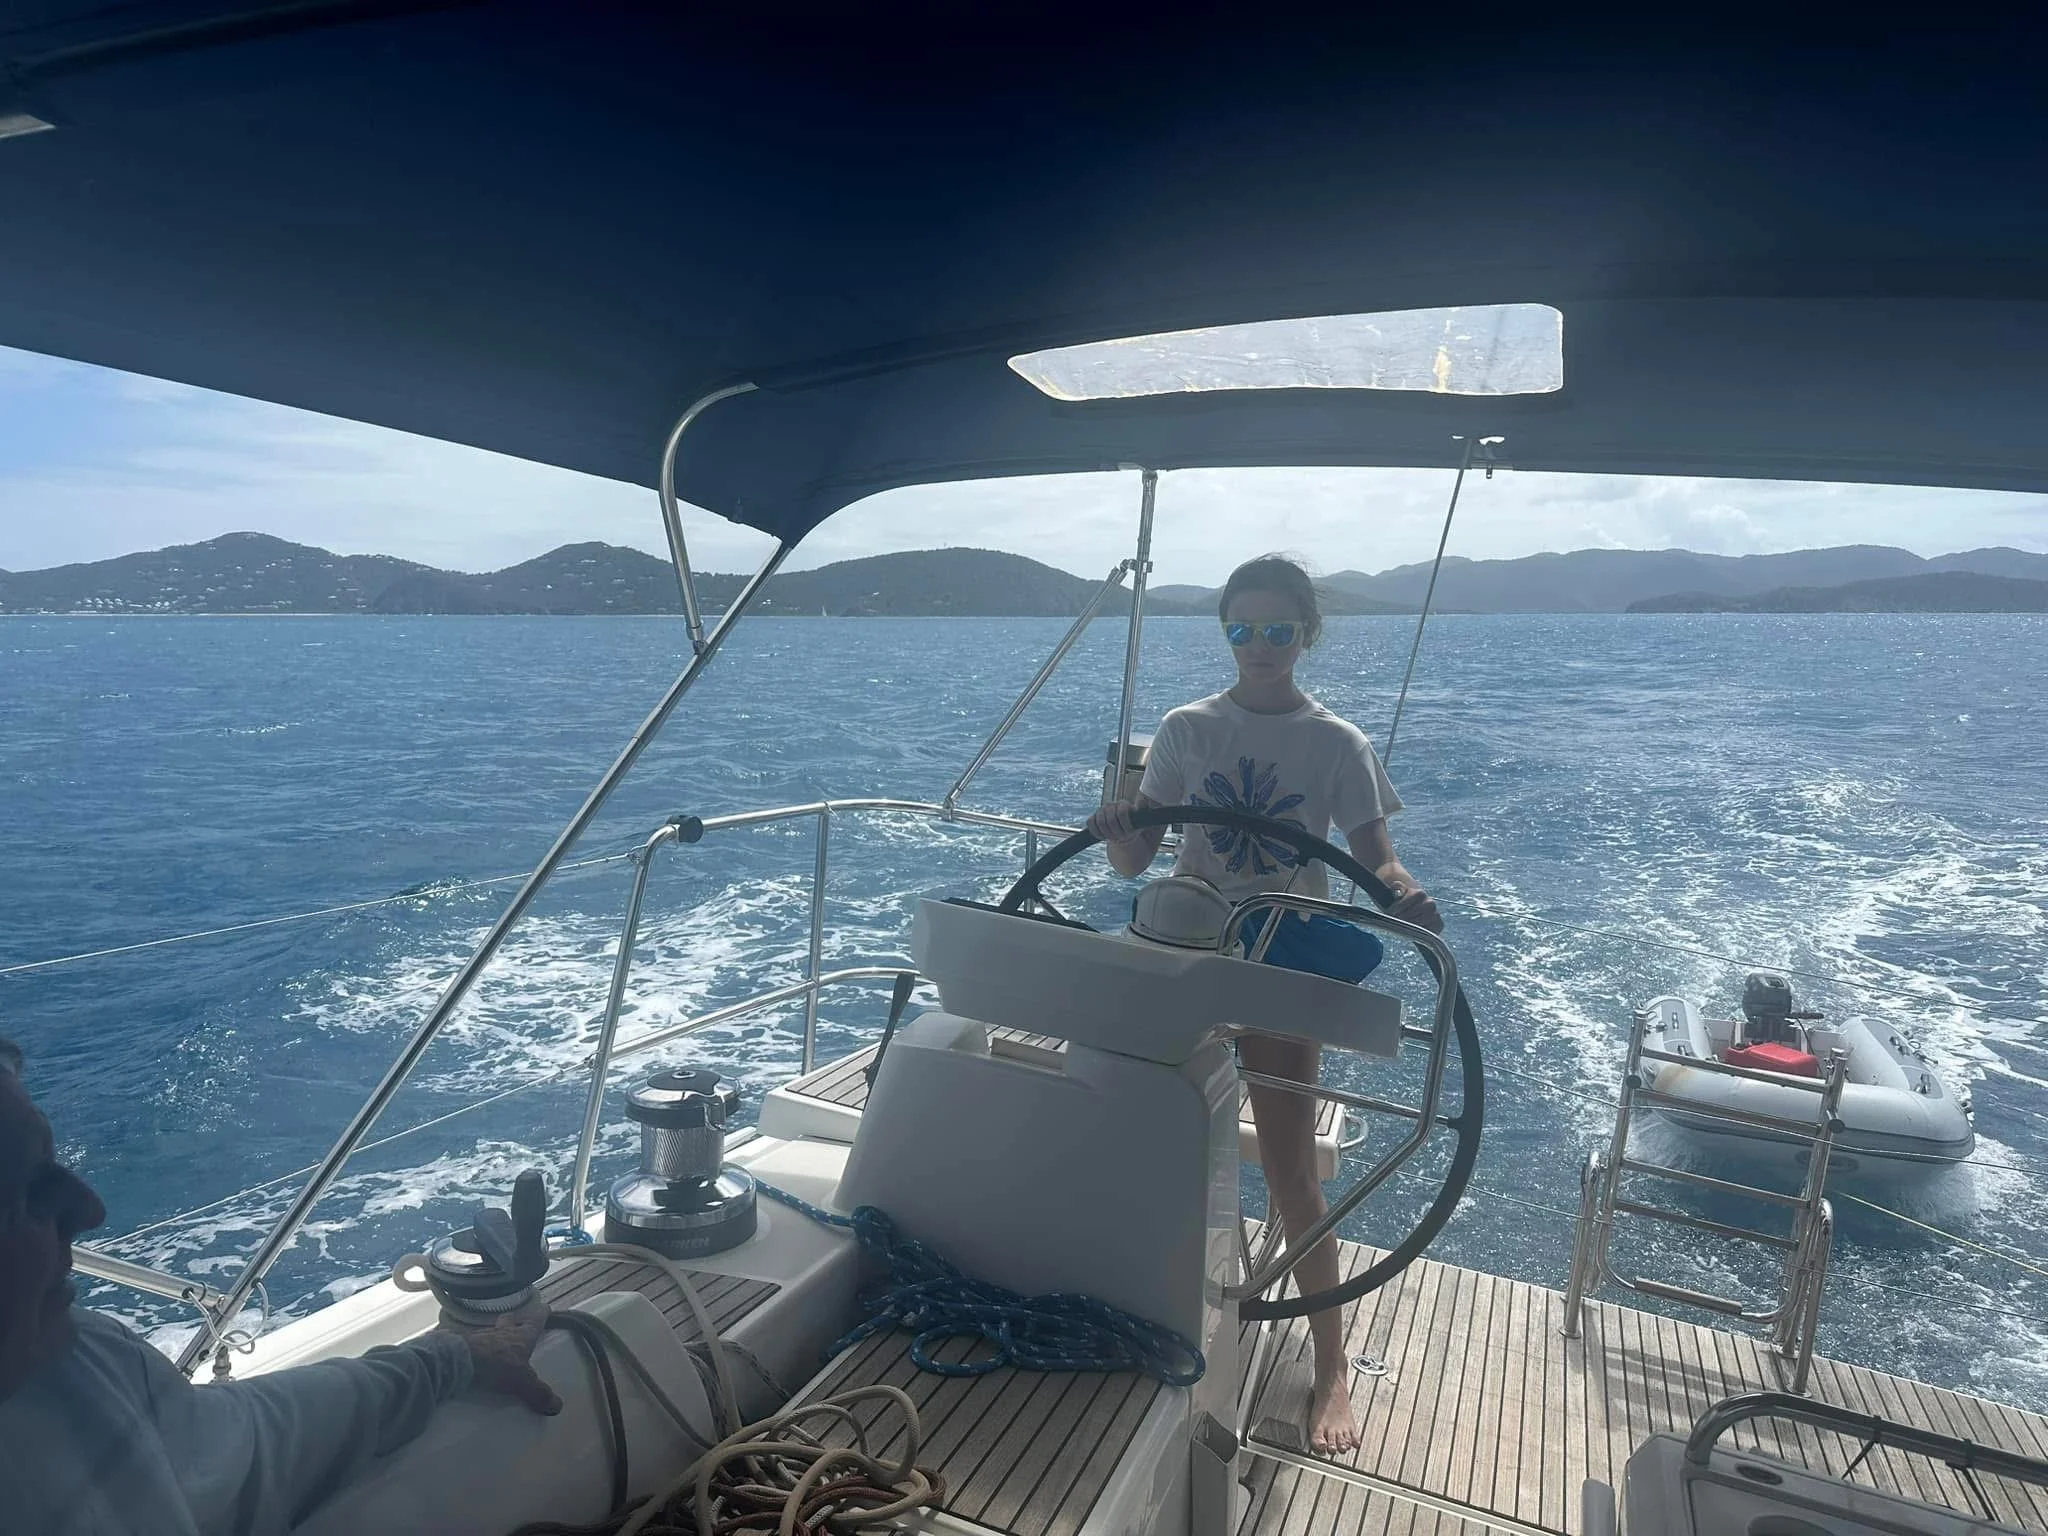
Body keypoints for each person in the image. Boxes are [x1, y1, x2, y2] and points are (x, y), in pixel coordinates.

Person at [1086, 554, 1441, 1456]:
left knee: (1291, 1172)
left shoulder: (1338, 745)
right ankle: (1128, 1297)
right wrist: (1119, 831)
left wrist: (1403, 890)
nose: (1258, 647)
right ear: (1225, 634)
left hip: (1279, 957)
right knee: (1132, 1133)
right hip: (1188, 946)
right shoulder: (1184, 728)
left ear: (1306, 634)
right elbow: (1136, 863)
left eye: (1277, 630)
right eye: (1240, 629)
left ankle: (1329, 1368)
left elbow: (1378, 858)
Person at [0, 1034, 562, 1536]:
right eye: (21, 1185)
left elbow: (250, 1439)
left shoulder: (82, 1368)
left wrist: (452, 1358)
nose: (89, 1209)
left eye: (51, 1163)